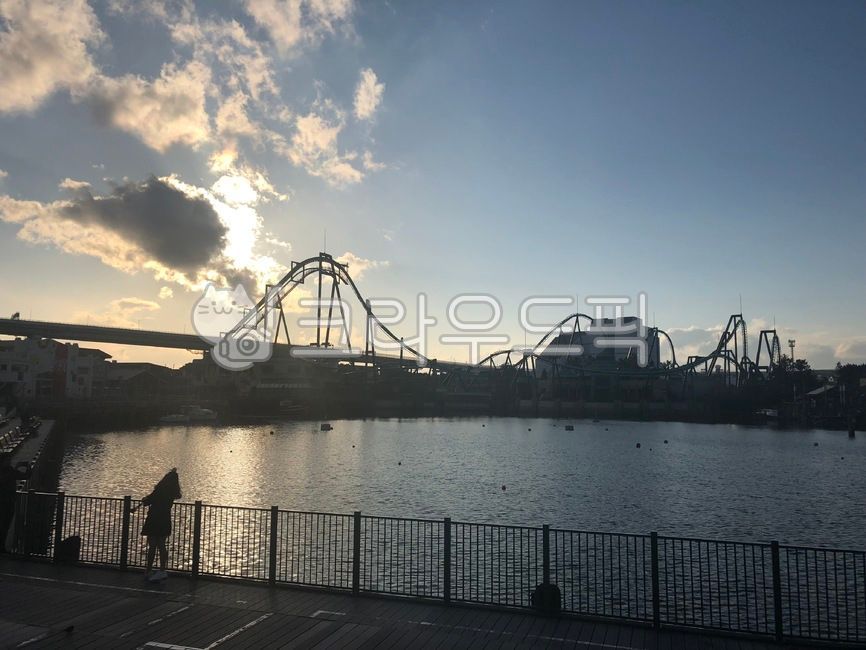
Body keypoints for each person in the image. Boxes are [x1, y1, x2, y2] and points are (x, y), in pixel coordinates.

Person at [132, 468, 181, 582]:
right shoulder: (172, 492)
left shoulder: (160, 489)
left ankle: (149, 570)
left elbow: (148, 501)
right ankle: (162, 570)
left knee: (152, 545)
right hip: (164, 519)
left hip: (154, 519)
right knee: (161, 545)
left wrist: (145, 499)